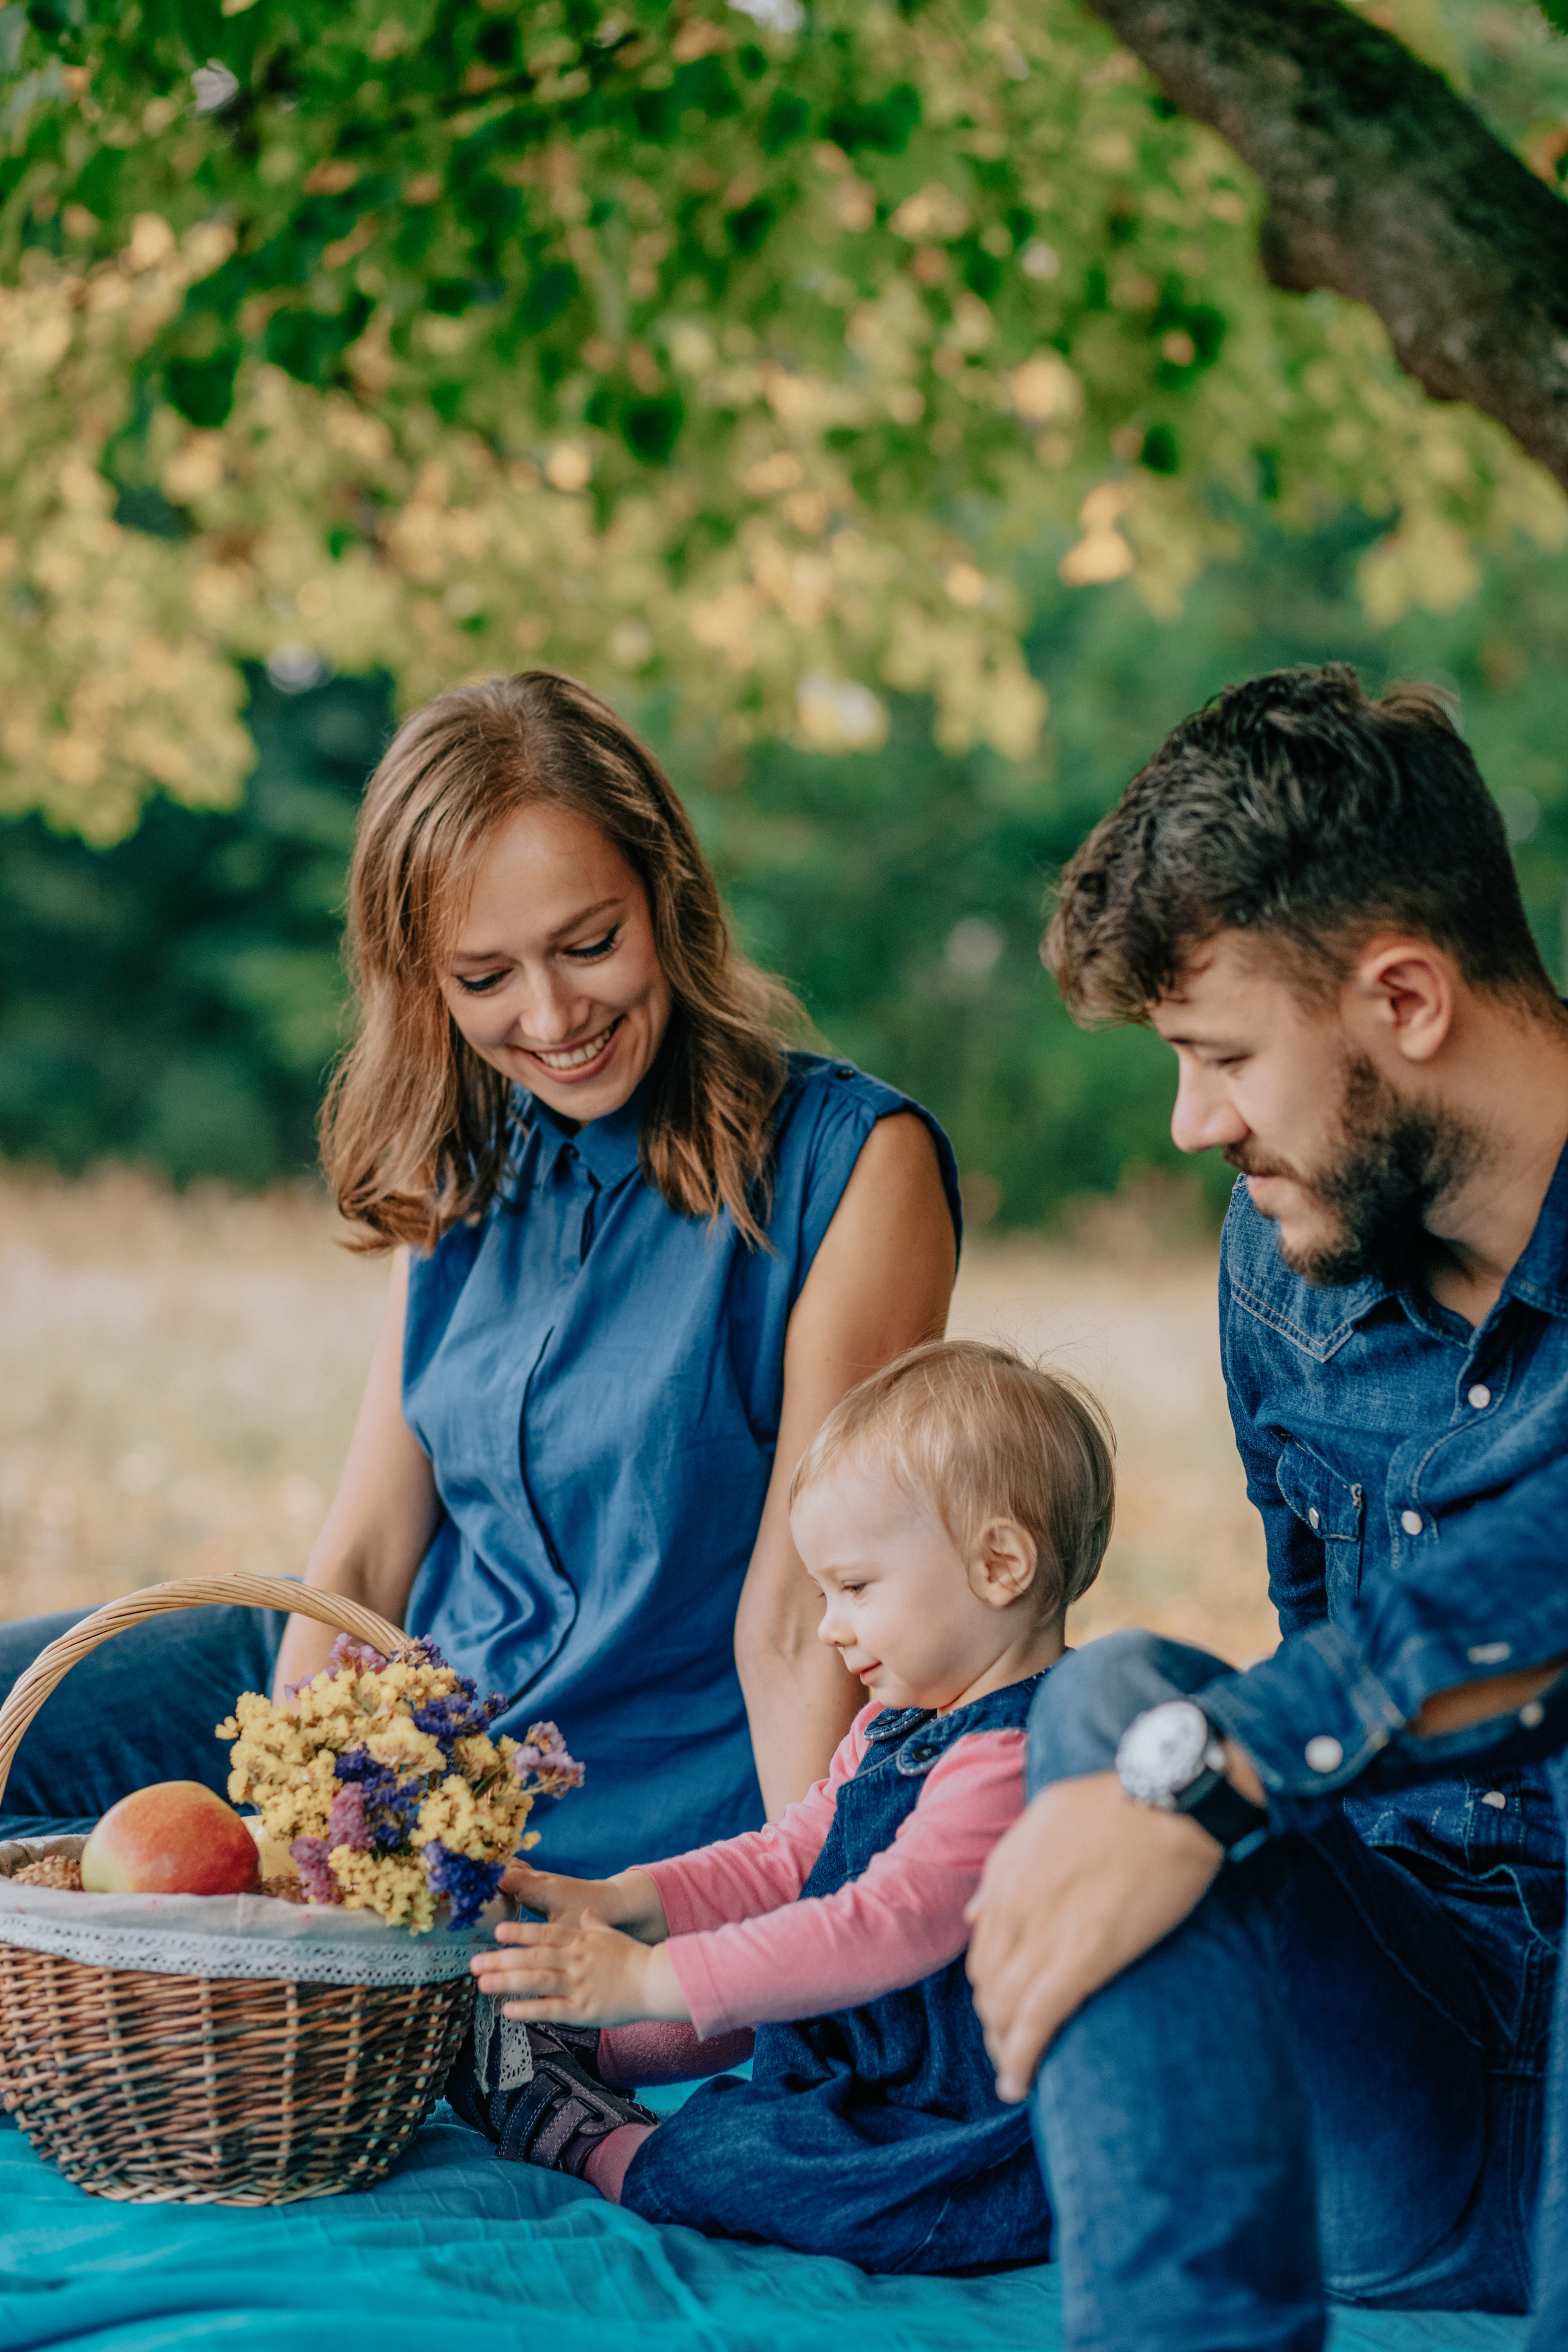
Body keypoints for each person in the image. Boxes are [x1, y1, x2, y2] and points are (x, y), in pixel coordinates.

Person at [0, 672, 959, 1866]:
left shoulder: (856, 1168)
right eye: (484, 978)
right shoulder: (464, 1166)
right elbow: (360, 1560)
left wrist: (804, 1946)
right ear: (424, 980)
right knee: (65, 1854)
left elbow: (795, 1622)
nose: (552, 1015)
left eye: (589, 944)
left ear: (665, 894)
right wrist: (286, 1855)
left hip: (624, 1813)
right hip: (396, 1738)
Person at [966, 665, 1568, 2352]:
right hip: (1397, 2065)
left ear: (1407, 996)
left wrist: (1222, 1767)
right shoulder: (1284, 1256)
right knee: (1109, 1704)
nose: (1192, 1122)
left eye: (1224, 1055)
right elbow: (1329, 1642)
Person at [447, 1340, 1115, 2275]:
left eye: (856, 1587)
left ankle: (598, 2142)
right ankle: (581, 2045)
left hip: (966, 2120)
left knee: (765, 2166)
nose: (831, 1624)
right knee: (765, 2006)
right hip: (872, 2050)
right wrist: (628, 1900)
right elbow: (788, 1856)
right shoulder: (897, 1724)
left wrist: (653, 1977)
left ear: (999, 1564)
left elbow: (881, 1930)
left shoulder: (1016, 1756)